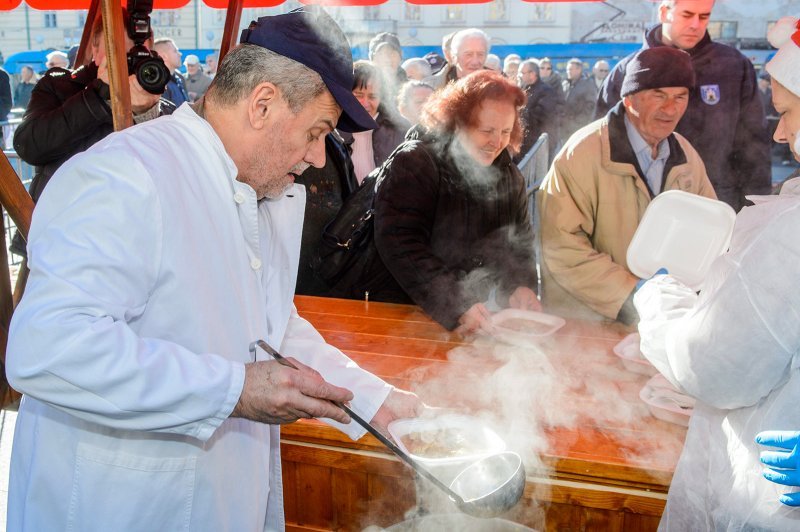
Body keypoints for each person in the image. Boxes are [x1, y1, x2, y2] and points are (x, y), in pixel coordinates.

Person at [5, 7, 420, 531]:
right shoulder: (120, 176)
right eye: (317, 131)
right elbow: (48, 349)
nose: (319, 158)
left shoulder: (263, 190)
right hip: (117, 508)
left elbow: (270, 326)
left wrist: (375, 401)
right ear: (262, 104)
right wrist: (236, 388)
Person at [634, 17, 800, 529]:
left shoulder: (793, 235)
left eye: (790, 112)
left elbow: (713, 366)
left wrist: (659, 297)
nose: (780, 131)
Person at [538, 47, 715, 324]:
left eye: (680, 97)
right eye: (659, 96)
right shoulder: (583, 153)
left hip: (661, 319)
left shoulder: (686, 155)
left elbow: (708, 230)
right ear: (630, 99)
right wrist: (633, 294)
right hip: (588, 325)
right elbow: (562, 246)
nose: (671, 109)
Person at [371, 71, 540, 333]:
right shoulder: (418, 162)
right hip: (399, 311)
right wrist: (457, 304)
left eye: (506, 131)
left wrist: (520, 285)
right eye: (487, 130)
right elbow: (400, 241)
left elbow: (519, 241)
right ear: (458, 122)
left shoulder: (510, 177)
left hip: (468, 316)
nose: (497, 142)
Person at [10, 10, 174, 258]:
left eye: (135, 55)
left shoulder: (161, 105)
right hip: (60, 245)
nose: (128, 64)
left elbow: (172, 175)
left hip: (133, 247)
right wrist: (98, 96)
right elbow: (29, 145)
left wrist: (147, 113)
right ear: (97, 50)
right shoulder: (59, 87)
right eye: (119, 53)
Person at [595, 0, 771, 212]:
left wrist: (756, 209)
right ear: (663, 12)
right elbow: (602, 144)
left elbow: (754, 144)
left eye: (704, 16)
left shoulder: (733, 67)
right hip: (642, 208)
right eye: (687, 15)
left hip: (714, 202)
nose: (696, 24)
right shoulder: (627, 72)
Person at [339, 61, 410, 184]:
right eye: (358, 95)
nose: (365, 103)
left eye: (372, 97)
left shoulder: (400, 129)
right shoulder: (332, 127)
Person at [516, 59, 558, 165]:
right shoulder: (523, 88)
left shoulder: (546, 91)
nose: (520, 75)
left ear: (532, 73)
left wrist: (520, 112)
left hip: (538, 143)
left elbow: (543, 115)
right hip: (524, 142)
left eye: (522, 72)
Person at [424, 28, 490, 90]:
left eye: (480, 54)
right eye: (468, 55)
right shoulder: (430, 87)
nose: (475, 61)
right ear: (453, 57)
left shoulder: (497, 87)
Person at [560, 58, 597, 143]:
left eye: (570, 69)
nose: (568, 71)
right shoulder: (565, 84)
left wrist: (579, 122)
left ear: (579, 70)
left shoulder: (588, 84)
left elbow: (591, 106)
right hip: (565, 128)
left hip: (579, 127)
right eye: (567, 69)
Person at [369, 32, 407, 106]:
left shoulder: (410, 89)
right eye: (381, 54)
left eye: (392, 53)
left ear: (400, 56)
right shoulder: (361, 88)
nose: (387, 59)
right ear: (372, 59)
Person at [153, 37, 189, 107]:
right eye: (175, 51)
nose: (180, 54)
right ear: (164, 56)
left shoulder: (179, 78)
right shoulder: (158, 84)